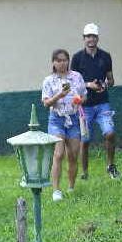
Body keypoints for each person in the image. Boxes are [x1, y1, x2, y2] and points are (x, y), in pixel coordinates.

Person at [71, 22, 120, 180]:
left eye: (93, 36)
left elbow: (111, 80)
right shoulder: (77, 58)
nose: (91, 39)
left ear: (97, 38)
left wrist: (104, 84)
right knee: (85, 141)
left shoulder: (105, 56)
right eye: (88, 36)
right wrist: (88, 85)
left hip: (102, 104)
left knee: (110, 133)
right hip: (84, 107)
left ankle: (111, 167)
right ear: (83, 38)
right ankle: (85, 173)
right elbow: (73, 83)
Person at [42, 49, 87, 201]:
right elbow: (46, 103)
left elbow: (84, 95)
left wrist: (80, 100)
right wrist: (60, 95)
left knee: (73, 155)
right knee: (58, 154)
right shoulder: (49, 80)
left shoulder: (76, 76)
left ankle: (71, 187)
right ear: (53, 63)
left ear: (68, 61)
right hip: (56, 119)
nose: (62, 63)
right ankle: (56, 191)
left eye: (64, 60)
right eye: (58, 60)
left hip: (73, 119)